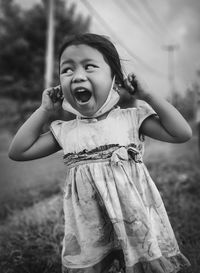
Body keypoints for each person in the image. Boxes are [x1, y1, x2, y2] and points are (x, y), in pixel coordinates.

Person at [9, 33, 192, 273]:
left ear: (114, 78)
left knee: (143, 261)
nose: (77, 76)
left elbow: (181, 133)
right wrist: (44, 111)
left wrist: (147, 96)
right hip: (90, 225)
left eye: (89, 66)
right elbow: (18, 151)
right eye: (67, 70)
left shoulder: (131, 118)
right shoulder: (65, 131)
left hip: (133, 218)